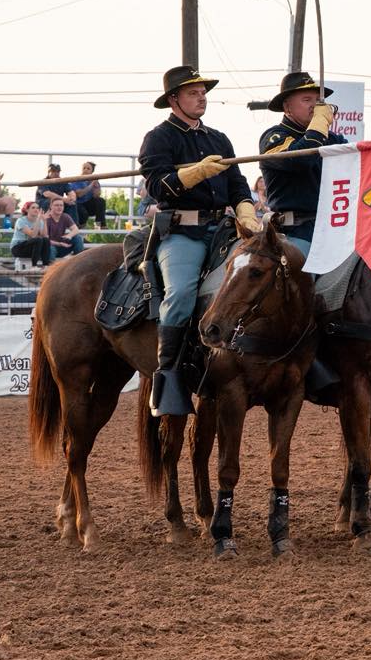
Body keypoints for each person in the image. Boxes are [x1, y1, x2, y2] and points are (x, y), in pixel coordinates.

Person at [139, 64, 258, 417]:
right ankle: (169, 376)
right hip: (182, 232)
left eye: (204, 91)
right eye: (194, 92)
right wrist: (197, 171)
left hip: (223, 229)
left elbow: (237, 183)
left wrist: (247, 212)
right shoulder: (159, 138)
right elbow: (158, 187)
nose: (202, 96)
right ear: (173, 99)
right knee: (180, 294)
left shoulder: (219, 139)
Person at [258, 72, 347, 257]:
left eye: (317, 99)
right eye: (307, 99)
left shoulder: (332, 138)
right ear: (287, 107)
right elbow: (301, 160)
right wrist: (320, 122)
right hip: (294, 232)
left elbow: (354, 164)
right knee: (303, 282)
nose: (315, 105)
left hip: (335, 230)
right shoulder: (274, 137)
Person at [10, 201, 52, 267]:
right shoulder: (21, 221)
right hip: (18, 248)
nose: (36, 209)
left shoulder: (40, 221)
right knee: (38, 240)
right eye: (33, 208)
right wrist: (38, 218)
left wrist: (44, 220)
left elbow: (45, 235)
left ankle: (46, 265)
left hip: (31, 248)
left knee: (45, 240)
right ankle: (34, 266)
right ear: (27, 210)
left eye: (37, 208)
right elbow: (33, 235)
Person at [68, 161, 107, 228]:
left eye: (88, 169)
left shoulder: (93, 180)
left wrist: (96, 186)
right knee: (83, 213)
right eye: (84, 168)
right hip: (78, 204)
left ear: (92, 172)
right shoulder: (76, 179)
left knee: (101, 201)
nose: (85, 170)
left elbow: (96, 196)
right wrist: (91, 185)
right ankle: (80, 225)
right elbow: (79, 194)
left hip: (88, 205)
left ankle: (99, 225)